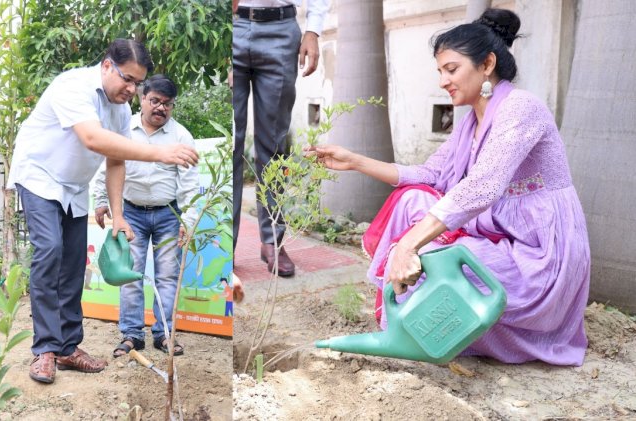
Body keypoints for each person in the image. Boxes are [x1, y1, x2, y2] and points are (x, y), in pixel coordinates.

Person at [308, 9, 590, 366]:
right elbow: (430, 175)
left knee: (439, 275)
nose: (443, 81)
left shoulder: (521, 108)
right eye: (440, 71)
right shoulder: (470, 122)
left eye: (451, 69)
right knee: (412, 201)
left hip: (539, 255)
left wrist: (408, 245)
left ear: (486, 64)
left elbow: (482, 187)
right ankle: (399, 319)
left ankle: (416, 323)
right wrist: (354, 161)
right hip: (500, 234)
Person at [7, 39, 199, 384]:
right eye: (127, 79)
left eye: (137, 83)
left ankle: (67, 347)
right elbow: (94, 140)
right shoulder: (73, 86)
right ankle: (45, 350)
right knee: (50, 250)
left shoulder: (120, 110)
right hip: (39, 177)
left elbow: (115, 161)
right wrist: (159, 154)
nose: (131, 89)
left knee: (72, 262)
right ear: (107, 66)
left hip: (73, 187)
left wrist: (118, 214)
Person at [91, 75, 199, 358]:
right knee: (130, 276)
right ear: (142, 98)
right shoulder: (123, 130)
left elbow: (189, 185)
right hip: (131, 215)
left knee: (167, 278)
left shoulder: (181, 137)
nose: (161, 108)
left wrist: (188, 220)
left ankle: (164, 335)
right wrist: (102, 201)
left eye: (168, 104)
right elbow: (107, 166)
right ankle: (131, 335)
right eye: (155, 101)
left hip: (168, 215)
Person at [232, 0, 331, 277]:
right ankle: (224, 243)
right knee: (230, 144)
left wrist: (313, 30)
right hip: (232, 24)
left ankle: (272, 240)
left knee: (274, 146)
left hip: (281, 28)